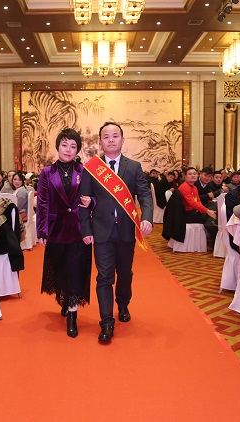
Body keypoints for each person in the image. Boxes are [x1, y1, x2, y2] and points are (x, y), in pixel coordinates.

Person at [80, 122, 153, 343]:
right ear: (100, 141)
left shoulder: (134, 167)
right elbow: (83, 201)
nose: (111, 140)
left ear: (122, 139)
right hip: (101, 231)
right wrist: (86, 229)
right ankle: (106, 322)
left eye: (115, 136)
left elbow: (144, 195)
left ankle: (122, 303)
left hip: (126, 230)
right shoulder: (92, 167)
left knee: (125, 273)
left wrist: (147, 217)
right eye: (106, 136)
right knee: (104, 277)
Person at [37, 128, 93, 338]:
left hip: (79, 229)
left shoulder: (84, 171)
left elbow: (94, 197)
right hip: (56, 230)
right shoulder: (47, 173)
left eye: (73, 146)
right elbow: (42, 203)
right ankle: (64, 298)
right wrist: (42, 231)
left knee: (75, 271)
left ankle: (72, 315)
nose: (68, 150)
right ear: (58, 147)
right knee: (60, 269)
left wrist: (92, 202)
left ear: (77, 150)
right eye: (64, 145)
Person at [179, 167, 218, 240]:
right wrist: (207, 211)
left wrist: (202, 210)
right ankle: (213, 241)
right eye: (190, 174)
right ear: (185, 176)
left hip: (194, 211)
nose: (193, 175)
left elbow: (198, 201)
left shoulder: (194, 187)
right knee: (212, 219)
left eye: (194, 174)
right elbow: (192, 203)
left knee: (213, 207)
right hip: (186, 214)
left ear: (197, 175)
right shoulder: (184, 187)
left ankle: (210, 227)